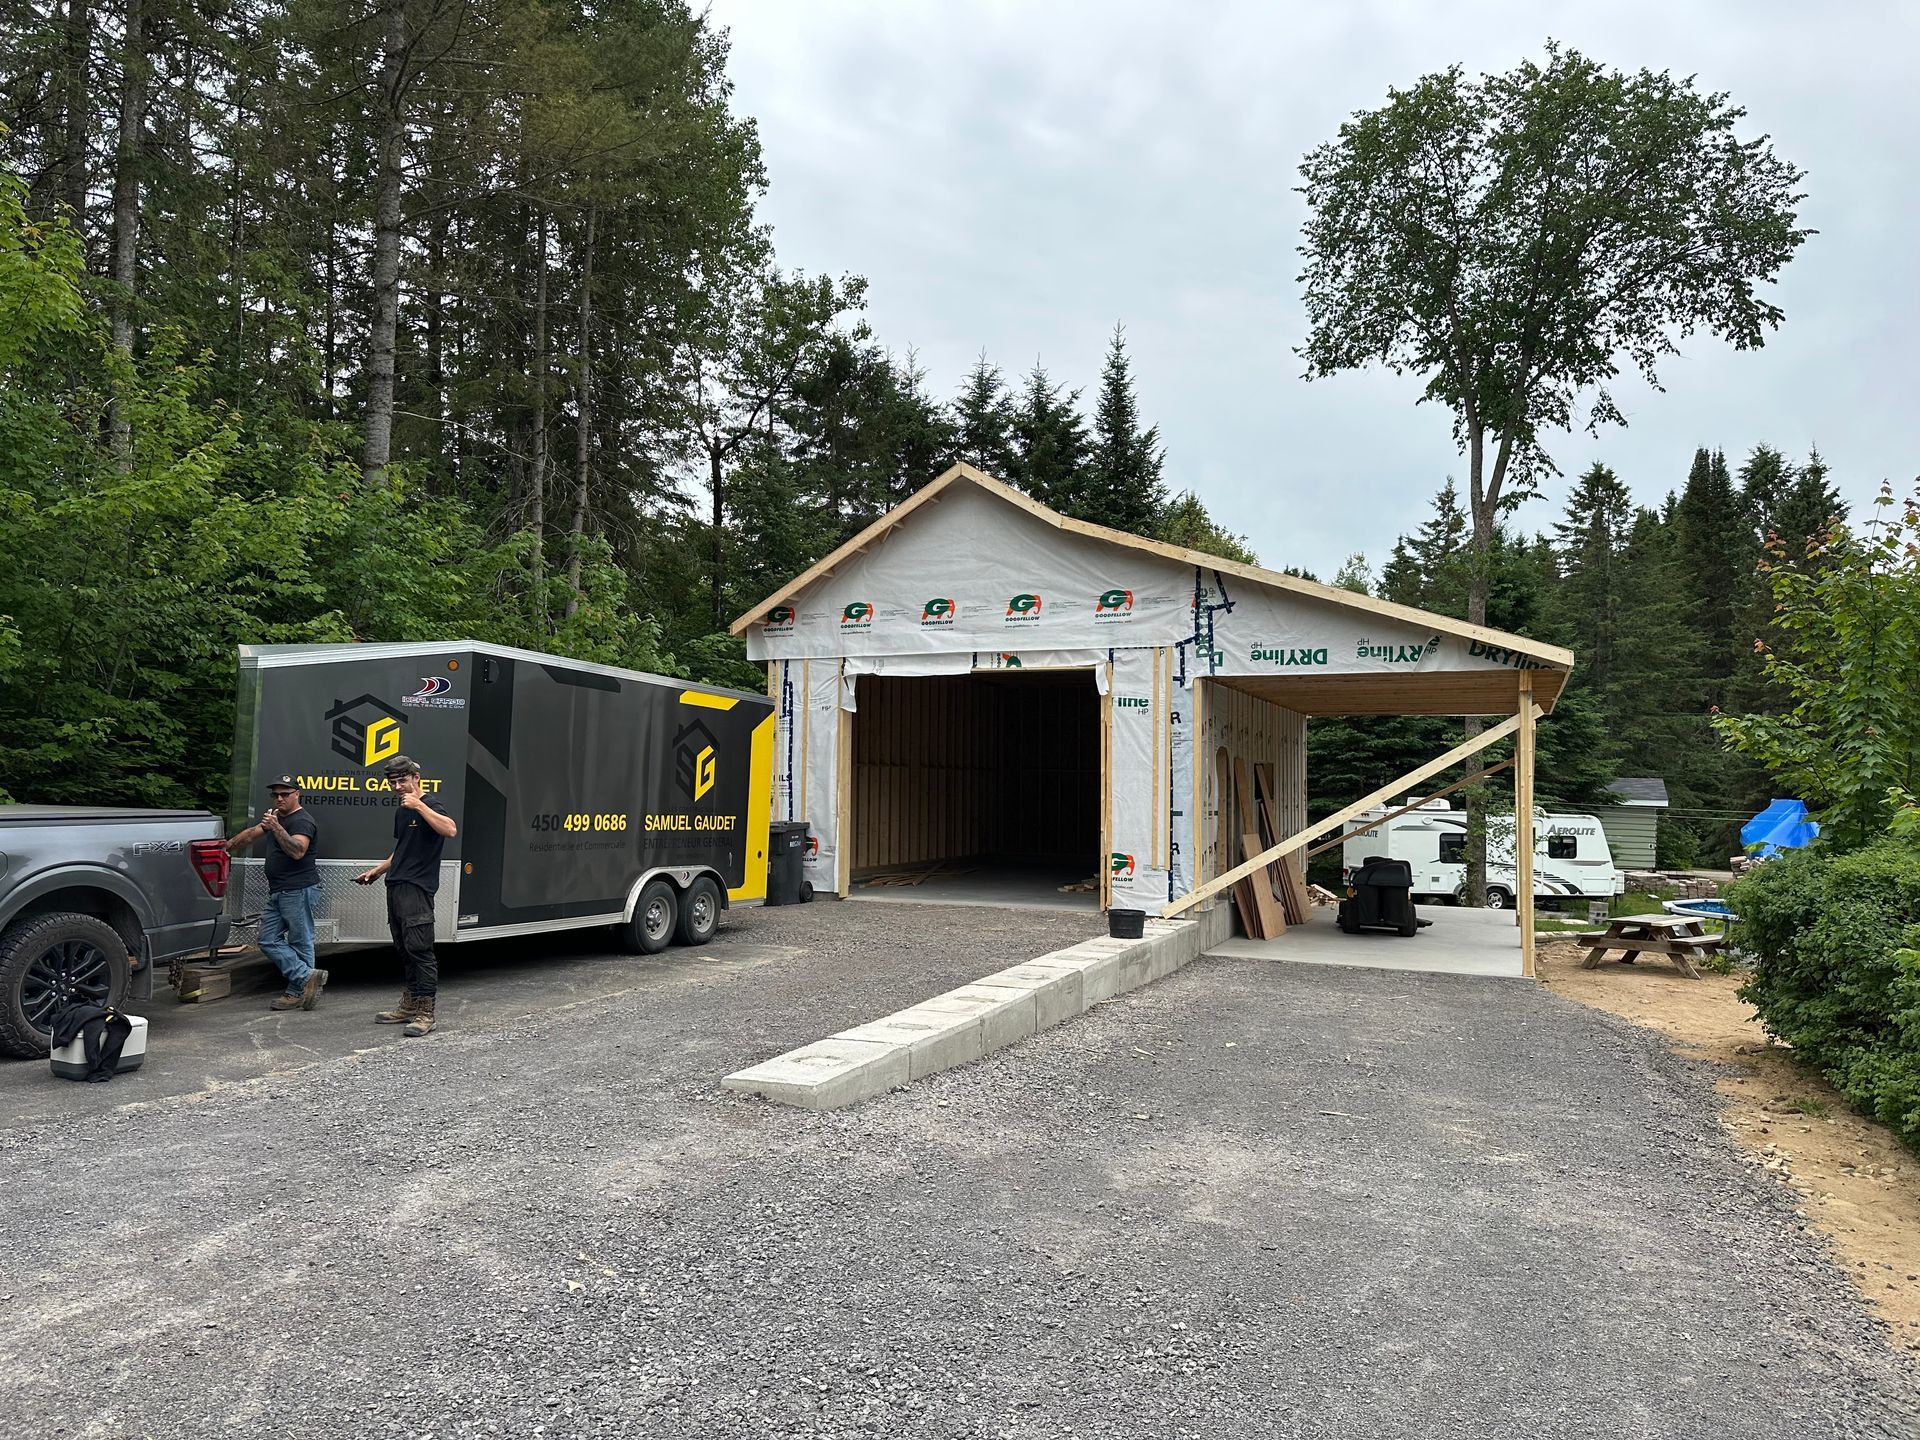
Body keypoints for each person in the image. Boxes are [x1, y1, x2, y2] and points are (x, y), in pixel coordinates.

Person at [353, 754, 457, 1037]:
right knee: (404, 948)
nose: (397, 787)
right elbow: (403, 848)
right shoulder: (402, 810)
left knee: (420, 950)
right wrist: (378, 870)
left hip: (417, 889)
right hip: (396, 884)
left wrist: (420, 805)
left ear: (416, 778)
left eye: (402, 780)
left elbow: (450, 830)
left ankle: (426, 1013)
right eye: (393, 782)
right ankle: (410, 1005)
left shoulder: (429, 805)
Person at [227, 774, 328, 1011]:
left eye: (285, 794)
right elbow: (251, 834)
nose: (279, 798)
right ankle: (307, 978)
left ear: (297, 794)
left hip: (298, 889)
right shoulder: (276, 818)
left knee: (300, 941)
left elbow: (297, 851)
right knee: (267, 940)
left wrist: (276, 827)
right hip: (280, 891)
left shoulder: (302, 821)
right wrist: (226, 847)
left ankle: (296, 991)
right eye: (275, 794)